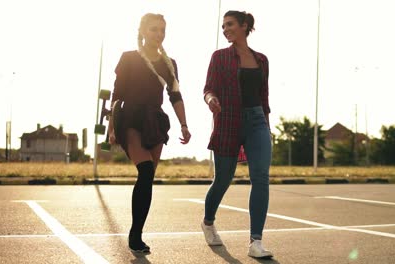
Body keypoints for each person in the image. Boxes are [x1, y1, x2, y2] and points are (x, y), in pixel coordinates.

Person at [108, 13, 191, 254]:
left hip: (155, 120)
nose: (159, 34)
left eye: (162, 30)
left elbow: (175, 95)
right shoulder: (129, 58)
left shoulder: (169, 63)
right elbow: (117, 94)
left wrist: (184, 125)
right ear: (143, 31)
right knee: (145, 171)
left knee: (148, 178)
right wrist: (112, 127)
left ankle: (138, 232)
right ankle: (135, 236)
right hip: (131, 118)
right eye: (154, 29)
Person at [201, 10, 273, 258]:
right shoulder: (219, 57)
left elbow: (264, 98)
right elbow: (208, 89)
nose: (225, 29)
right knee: (223, 178)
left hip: (257, 121)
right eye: (223, 26)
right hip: (228, 119)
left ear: (245, 26)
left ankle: (256, 242)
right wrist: (212, 101)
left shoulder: (261, 60)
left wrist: (267, 126)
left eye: (230, 24)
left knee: (261, 177)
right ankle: (208, 222)